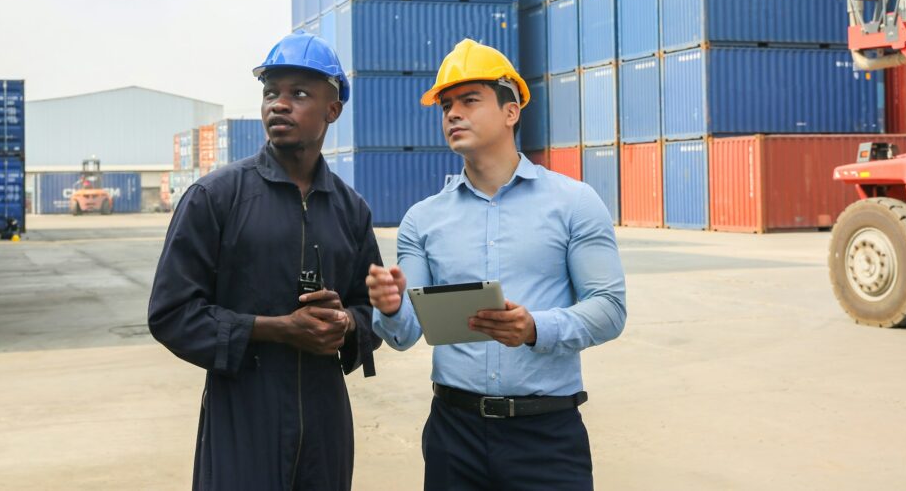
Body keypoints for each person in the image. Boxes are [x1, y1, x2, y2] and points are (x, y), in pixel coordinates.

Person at [366, 39, 627, 490]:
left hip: (545, 436)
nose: (452, 113)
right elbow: (406, 334)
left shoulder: (574, 203)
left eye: (470, 100)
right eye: (446, 104)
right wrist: (389, 308)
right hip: (454, 434)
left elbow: (609, 309)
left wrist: (535, 328)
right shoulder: (422, 220)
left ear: (511, 112)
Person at [148, 32, 382, 491]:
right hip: (242, 412)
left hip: (325, 420)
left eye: (299, 93)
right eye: (270, 92)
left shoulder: (350, 210)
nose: (279, 104)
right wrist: (274, 328)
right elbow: (171, 313)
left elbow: (371, 310)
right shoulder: (215, 198)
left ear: (332, 109)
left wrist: (347, 324)